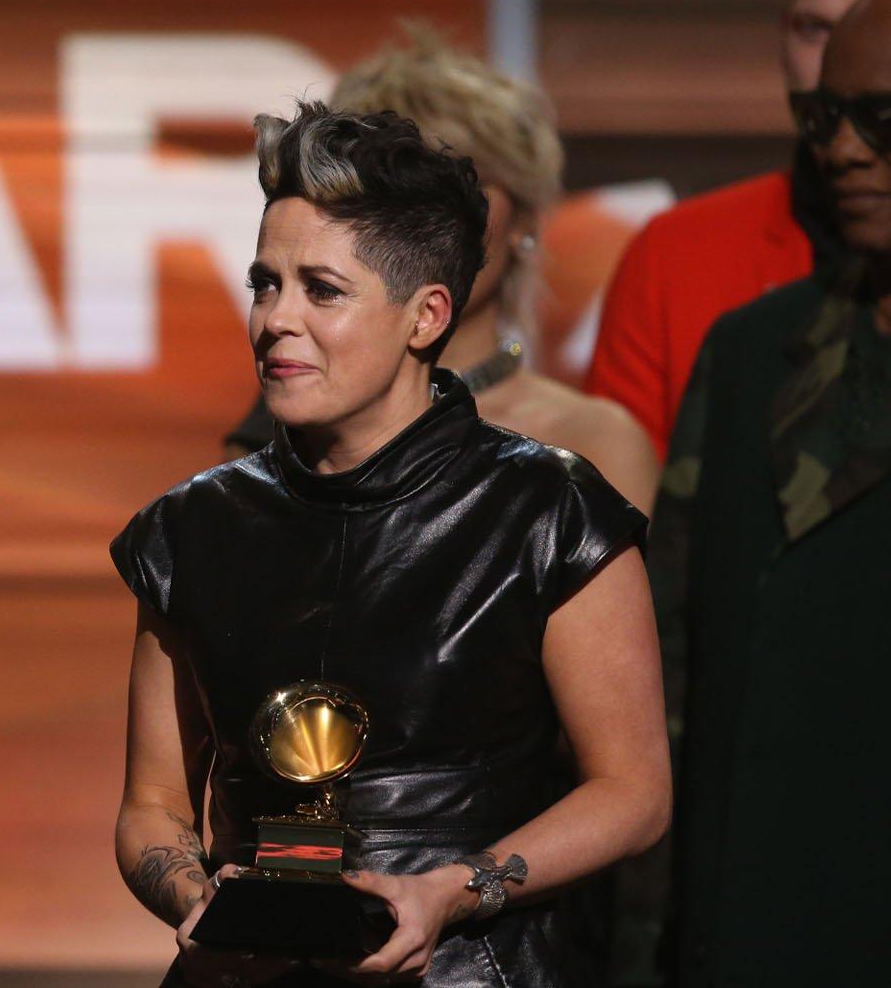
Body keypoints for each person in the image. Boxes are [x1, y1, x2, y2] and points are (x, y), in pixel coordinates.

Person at [113, 103, 670, 986]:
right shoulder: (190, 530)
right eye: (265, 283)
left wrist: (451, 891)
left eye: (321, 290)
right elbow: (151, 804)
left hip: (471, 968)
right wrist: (198, 898)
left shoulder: (549, 512)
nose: (274, 321)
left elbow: (634, 793)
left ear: (425, 316)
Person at [656, 0, 891, 987]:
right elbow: (673, 673)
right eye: (825, 115)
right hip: (744, 933)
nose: (842, 148)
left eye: (884, 119)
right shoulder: (752, 354)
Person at [226, 29, 658, 513]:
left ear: (524, 220)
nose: (420, 221)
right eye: (386, 189)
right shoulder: (279, 431)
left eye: (464, 186)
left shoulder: (595, 442)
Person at [588, 0, 891, 457]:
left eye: (868, 22)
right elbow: (615, 517)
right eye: (814, 28)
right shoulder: (674, 256)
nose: (836, 59)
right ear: (781, 34)